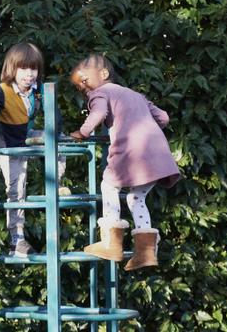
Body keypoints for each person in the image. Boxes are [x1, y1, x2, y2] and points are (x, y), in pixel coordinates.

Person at [69, 54, 180, 270]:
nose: (82, 87)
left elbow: (99, 113)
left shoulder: (100, 93)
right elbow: (164, 118)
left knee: (109, 185)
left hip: (130, 152)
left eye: (84, 80)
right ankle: (146, 253)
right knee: (136, 198)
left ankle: (111, 243)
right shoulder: (135, 95)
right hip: (156, 152)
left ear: (104, 74)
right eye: (78, 85)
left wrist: (83, 132)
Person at [0, 42, 68, 257]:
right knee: (17, 189)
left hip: (25, 138)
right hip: (8, 145)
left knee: (61, 140)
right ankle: (16, 239)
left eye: (33, 69)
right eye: (23, 69)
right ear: (12, 69)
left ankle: (56, 182)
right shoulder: (4, 89)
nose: (29, 74)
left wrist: (54, 135)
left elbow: (54, 117)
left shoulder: (39, 91)